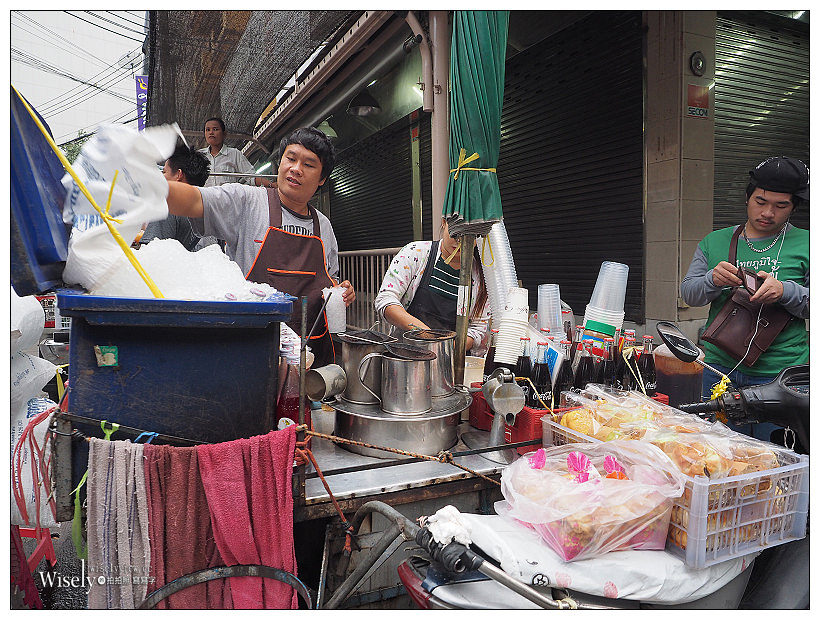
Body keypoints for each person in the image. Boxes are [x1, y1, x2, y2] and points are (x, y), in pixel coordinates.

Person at [165, 126, 355, 367]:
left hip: (310, 357)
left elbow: (331, 282)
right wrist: (147, 188)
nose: (296, 169)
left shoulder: (324, 226)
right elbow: (194, 200)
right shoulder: (247, 201)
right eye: (291, 158)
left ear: (322, 179)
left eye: (308, 164)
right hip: (252, 351)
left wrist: (341, 292)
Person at [680, 156, 809, 442]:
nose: (768, 212)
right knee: (720, 453)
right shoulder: (714, 241)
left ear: (794, 207)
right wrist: (712, 280)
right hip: (720, 371)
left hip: (782, 377)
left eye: (781, 206)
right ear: (748, 197)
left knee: (776, 456)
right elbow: (688, 293)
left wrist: (785, 291)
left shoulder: (808, 243)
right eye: (760, 201)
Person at [374, 220, 489, 352]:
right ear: (444, 222)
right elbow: (386, 299)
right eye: (455, 233)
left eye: (467, 236)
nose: (459, 242)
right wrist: (425, 334)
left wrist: (445, 351)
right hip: (405, 355)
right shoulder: (415, 253)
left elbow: (477, 329)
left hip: (450, 359)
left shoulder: (482, 276)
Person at [136, 143, 210, 251]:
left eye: (164, 172)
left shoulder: (168, 206)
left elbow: (151, 254)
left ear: (179, 175)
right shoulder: (209, 208)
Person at [199, 117, 275, 188]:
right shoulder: (199, 156)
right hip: (205, 197)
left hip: (228, 197)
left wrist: (271, 185)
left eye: (215, 129)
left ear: (224, 134)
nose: (211, 132)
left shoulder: (234, 154)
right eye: (208, 130)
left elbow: (251, 177)